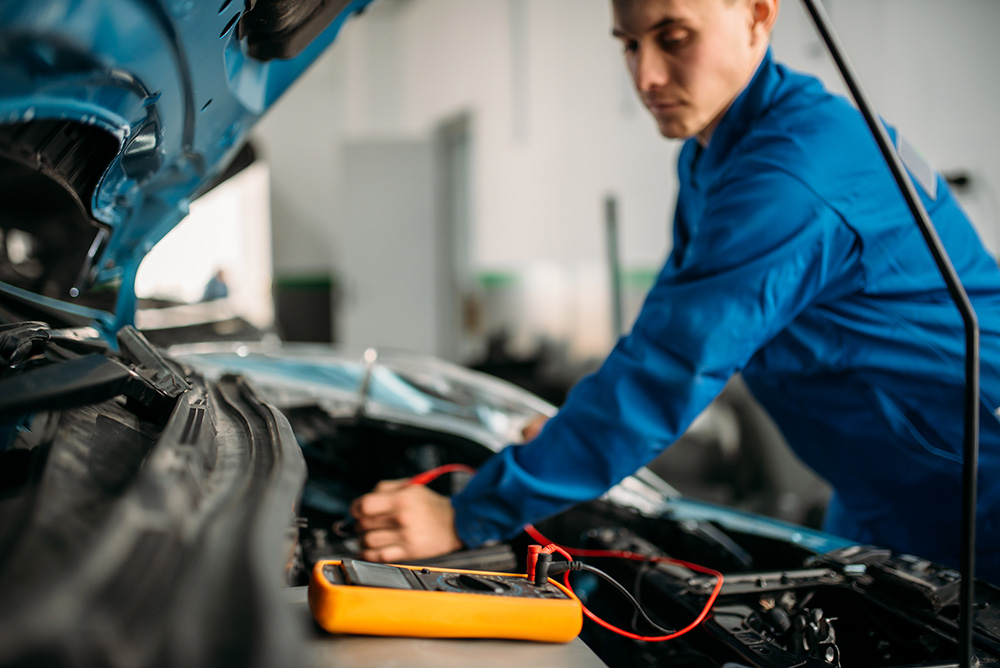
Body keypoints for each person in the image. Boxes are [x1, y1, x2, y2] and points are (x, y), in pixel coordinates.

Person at [351, 0, 1000, 582]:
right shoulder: (715, 152)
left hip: (976, 484)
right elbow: (667, 327)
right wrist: (573, 430)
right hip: (878, 483)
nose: (645, 77)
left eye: (674, 36)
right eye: (629, 44)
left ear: (757, 13)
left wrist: (468, 517)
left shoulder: (791, 175)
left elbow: (669, 369)